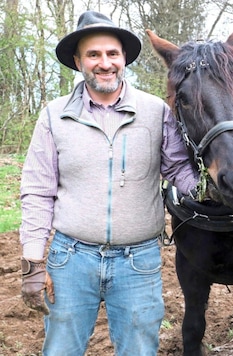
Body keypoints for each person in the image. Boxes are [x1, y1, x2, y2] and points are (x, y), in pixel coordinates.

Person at [19, 10, 198, 355]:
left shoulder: (155, 111)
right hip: (70, 260)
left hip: (138, 263)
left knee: (139, 349)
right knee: (60, 349)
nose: (105, 63)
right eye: (94, 54)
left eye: (112, 54)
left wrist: (214, 187)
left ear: (124, 58)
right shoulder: (55, 116)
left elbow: (178, 171)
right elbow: (37, 191)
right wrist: (32, 265)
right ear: (78, 60)